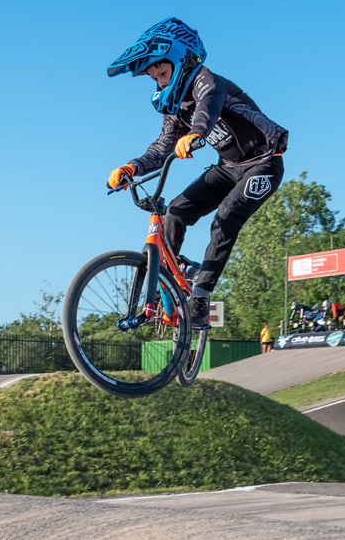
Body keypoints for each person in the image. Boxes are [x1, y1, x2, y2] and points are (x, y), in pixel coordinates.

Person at [106, 18, 288, 326]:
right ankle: (169, 283)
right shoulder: (177, 106)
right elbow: (163, 144)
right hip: (228, 168)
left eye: (162, 74)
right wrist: (133, 166)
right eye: (154, 79)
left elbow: (208, 108)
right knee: (174, 212)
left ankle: (201, 298)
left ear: (180, 61)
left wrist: (196, 134)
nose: (160, 83)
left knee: (226, 216)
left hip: (264, 163)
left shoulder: (207, 82)